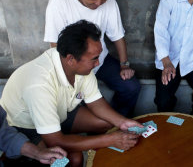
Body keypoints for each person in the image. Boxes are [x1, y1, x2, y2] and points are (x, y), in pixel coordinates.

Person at [0, 20, 143, 167]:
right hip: (27, 126)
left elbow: (95, 102)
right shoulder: (40, 84)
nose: (98, 63)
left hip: (61, 111)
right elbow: (54, 141)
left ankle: (81, 143)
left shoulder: (80, 67)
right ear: (71, 59)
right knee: (72, 159)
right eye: (94, 58)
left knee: (108, 123)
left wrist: (122, 122)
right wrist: (111, 140)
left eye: (98, 56)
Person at [44, 0, 140, 118]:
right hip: (73, 65)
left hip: (100, 60)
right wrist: (68, 77)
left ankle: (117, 123)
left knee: (131, 86)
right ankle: (96, 131)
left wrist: (124, 65)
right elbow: (55, 46)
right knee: (76, 103)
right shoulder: (59, 0)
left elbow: (117, 36)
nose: (99, 3)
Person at [0, 105, 66, 166]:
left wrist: (38, 153)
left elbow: (5, 136)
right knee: (73, 159)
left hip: (31, 130)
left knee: (62, 161)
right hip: (24, 128)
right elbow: (56, 140)